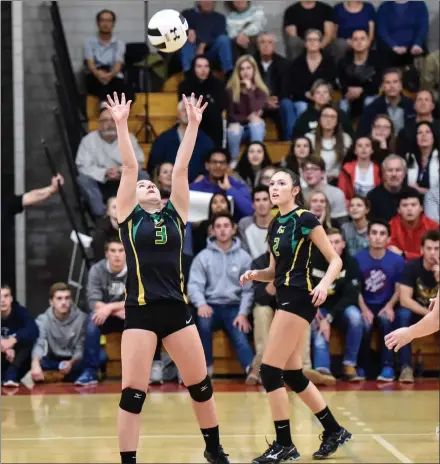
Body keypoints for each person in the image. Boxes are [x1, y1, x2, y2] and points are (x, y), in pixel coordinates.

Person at [104, 91, 229, 464]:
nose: (148, 185)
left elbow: (179, 170)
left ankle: (213, 448)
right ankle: (129, 460)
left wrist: (192, 125)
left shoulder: (176, 213)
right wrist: (123, 124)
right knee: (133, 394)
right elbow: (129, 169)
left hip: (176, 310)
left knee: (201, 386)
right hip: (140, 312)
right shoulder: (129, 217)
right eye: (144, 185)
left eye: (151, 185)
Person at [240, 168, 351, 462]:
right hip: (285, 298)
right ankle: (333, 430)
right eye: (271, 183)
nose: (274, 187)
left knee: (268, 370)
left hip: (300, 297)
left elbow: (335, 259)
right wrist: (255, 275)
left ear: (295, 191)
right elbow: (273, 272)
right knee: (291, 373)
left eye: (281, 183)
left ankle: (284, 443)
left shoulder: (305, 219)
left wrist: (325, 286)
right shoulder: (275, 223)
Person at [188, 213, 254, 378]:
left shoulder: (244, 258)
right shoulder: (203, 257)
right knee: (203, 325)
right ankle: (206, 369)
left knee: (240, 333)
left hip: (235, 307)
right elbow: (194, 285)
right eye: (218, 226)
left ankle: (252, 370)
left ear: (233, 230)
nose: (223, 230)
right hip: (211, 305)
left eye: (226, 226)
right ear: (212, 230)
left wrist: (243, 313)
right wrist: (201, 304)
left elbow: (249, 289)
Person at [1, 284, 39, 387]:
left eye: (6, 296)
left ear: (11, 298)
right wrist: (3, 346)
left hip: (17, 361)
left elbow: (33, 330)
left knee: (28, 341)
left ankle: (11, 375)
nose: (2, 300)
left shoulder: (20, 311)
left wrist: (13, 340)